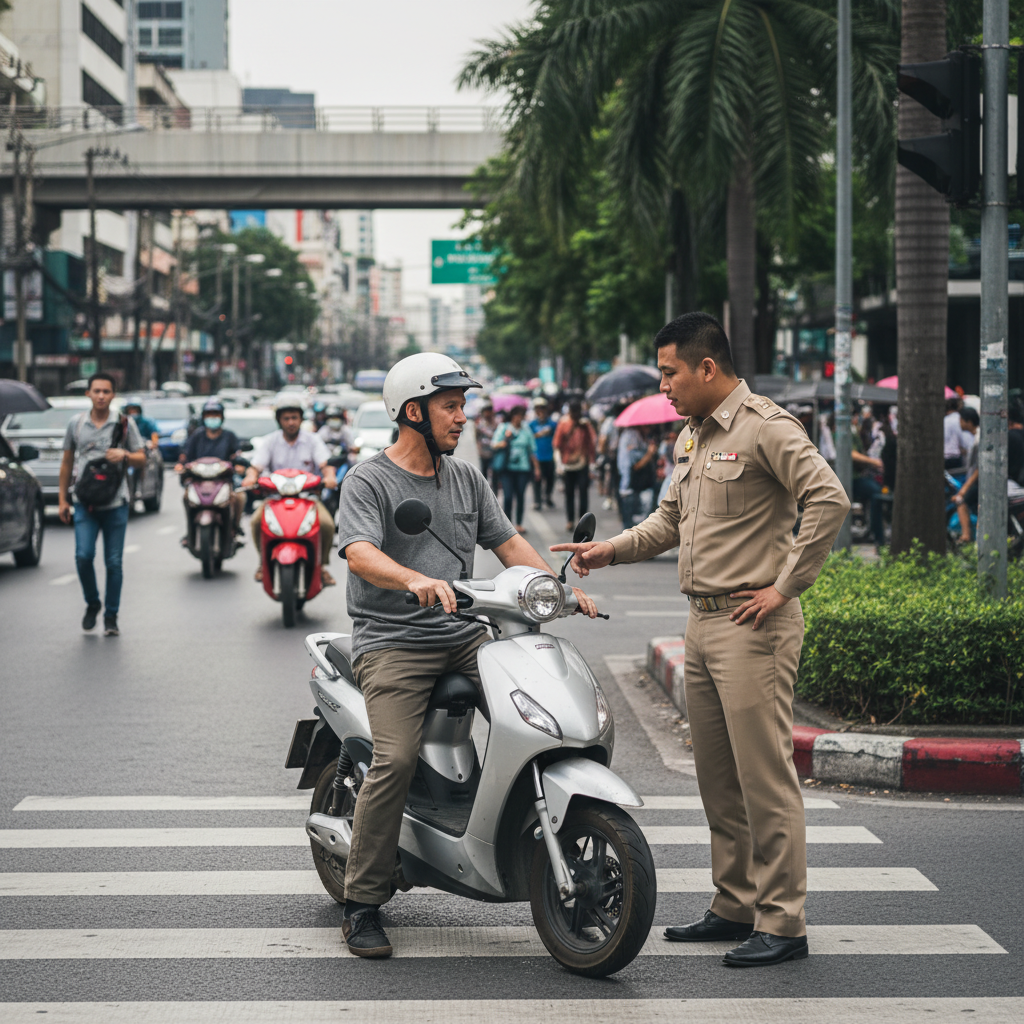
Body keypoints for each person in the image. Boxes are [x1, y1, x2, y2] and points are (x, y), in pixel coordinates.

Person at [551, 312, 849, 968]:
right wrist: (609, 551)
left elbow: (829, 500)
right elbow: (669, 519)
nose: (665, 387)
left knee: (764, 777)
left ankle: (782, 922)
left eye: (670, 373)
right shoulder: (693, 437)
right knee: (718, 779)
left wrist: (784, 586)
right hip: (701, 623)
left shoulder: (765, 427)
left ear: (706, 368)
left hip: (753, 626)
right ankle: (734, 903)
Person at [335, 352, 598, 958]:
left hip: (464, 635)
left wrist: (557, 590)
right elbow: (358, 552)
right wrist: (411, 580)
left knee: (536, 713)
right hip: (394, 641)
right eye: (450, 406)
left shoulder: (465, 479)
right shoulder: (369, 480)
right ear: (412, 412)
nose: (461, 417)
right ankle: (363, 901)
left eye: (462, 405)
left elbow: (507, 542)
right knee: (394, 761)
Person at [58, 372, 146, 637]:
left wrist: (126, 455)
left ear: (113, 395)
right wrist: (63, 499)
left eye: (106, 391)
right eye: (96, 391)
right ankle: (93, 602)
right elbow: (66, 462)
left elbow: (143, 458)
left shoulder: (124, 423)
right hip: (84, 502)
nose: (101, 396)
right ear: (88, 393)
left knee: (114, 562)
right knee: (83, 556)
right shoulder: (76, 424)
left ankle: (111, 616)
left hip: (116, 502)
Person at [242, 399, 338, 586]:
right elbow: (255, 467)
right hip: (274, 499)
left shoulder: (313, 440)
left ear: (301, 420)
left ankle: (322, 566)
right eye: (286, 418)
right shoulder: (270, 441)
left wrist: (329, 476)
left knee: (326, 524)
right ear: (279, 421)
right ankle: (263, 562)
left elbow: (326, 465)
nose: (291, 422)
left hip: (308, 499)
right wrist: (250, 477)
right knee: (255, 522)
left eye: (294, 417)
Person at [175, 400, 247, 535]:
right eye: (209, 414)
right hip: (200, 479)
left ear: (222, 416)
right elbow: (186, 455)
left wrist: (238, 466)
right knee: (186, 497)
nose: (212, 418)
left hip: (224, 479)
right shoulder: (197, 436)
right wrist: (182, 466)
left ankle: (235, 527)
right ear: (203, 417)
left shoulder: (229, 436)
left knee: (240, 496)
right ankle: (190, 531)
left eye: (216, 414)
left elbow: (237, 455)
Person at [492, 404, 538, 532]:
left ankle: (518, 523)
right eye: (517, 415)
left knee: (520, 496)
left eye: (521, 416)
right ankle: (507, 525)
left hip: (523, 468)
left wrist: (537, 468)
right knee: (507, 496)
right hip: (507, 468)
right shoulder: (504, 428)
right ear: (512, 416)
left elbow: (532, 449)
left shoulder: (526, 429)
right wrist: (506, 440)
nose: (519, 418)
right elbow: (494, 444)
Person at [553, 399, 596, 531]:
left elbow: (592, 443)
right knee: (569, 493)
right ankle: (570, 520)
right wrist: (559, 464)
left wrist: (592, 463)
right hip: (568, 465)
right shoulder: (563, 424)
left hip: (582, 464)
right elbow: (557, 444)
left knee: (583, 492)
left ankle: (581, 521)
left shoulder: (585, 425)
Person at [851, 412, 885, 547]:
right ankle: (878, 537)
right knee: (876, 492)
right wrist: (873, 462)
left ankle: (872, 529)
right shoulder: (845, 431)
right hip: (851, 478)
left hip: (858, 475)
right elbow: (852, 453)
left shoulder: (854, 431)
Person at [617, 424, 658, 530]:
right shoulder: (632, 436)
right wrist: (649, 453)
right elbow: (636, 465)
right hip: (632, 486)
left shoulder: (637, 435)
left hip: (634, 485)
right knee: (632, 526)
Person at [951, 406, 979, 543]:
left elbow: (979, 468)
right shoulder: (976, 437)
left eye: (961, 420)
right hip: (975, 479)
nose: (959, 423)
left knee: (960, 501)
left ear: (968, 421)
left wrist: (964, 489)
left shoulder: (979, 439)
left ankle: (966, 535)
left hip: (977, 481)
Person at [529, 397, 558, 510]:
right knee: (537, 479)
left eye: (542, 408)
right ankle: (537, 500)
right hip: (537, 456)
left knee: (550, 479)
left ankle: (548, 496)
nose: (540, 411)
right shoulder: (531, 424)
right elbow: (529, 438)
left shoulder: (552, 424)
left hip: (550, 456)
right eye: (538, 408)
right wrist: (540, 434)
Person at [474, 400, 498, 491]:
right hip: (484, 452)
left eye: (489, 411)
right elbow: (477, 438)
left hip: (494, 452)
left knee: (495, 473)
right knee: (484, 473)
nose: (487, 413)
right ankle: (484, 491)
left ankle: (494, 492)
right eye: (486, 411)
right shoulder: (480, 424)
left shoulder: (497, 423)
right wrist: (479, 450)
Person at [943, 397, 966, 469]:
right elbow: (963, 440)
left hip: (945, 456)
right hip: (956, 457)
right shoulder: (961, 420)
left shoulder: (944, 420)